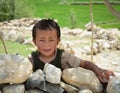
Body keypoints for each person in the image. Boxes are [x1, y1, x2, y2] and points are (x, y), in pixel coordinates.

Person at [29, 18, 114, 92]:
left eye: (51, 40)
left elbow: (84, 63)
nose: (46, 45)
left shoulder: (63, 57)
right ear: (34, 42)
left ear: (58, 41)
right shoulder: (31, 59)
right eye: (42, 40)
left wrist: (100, 71)